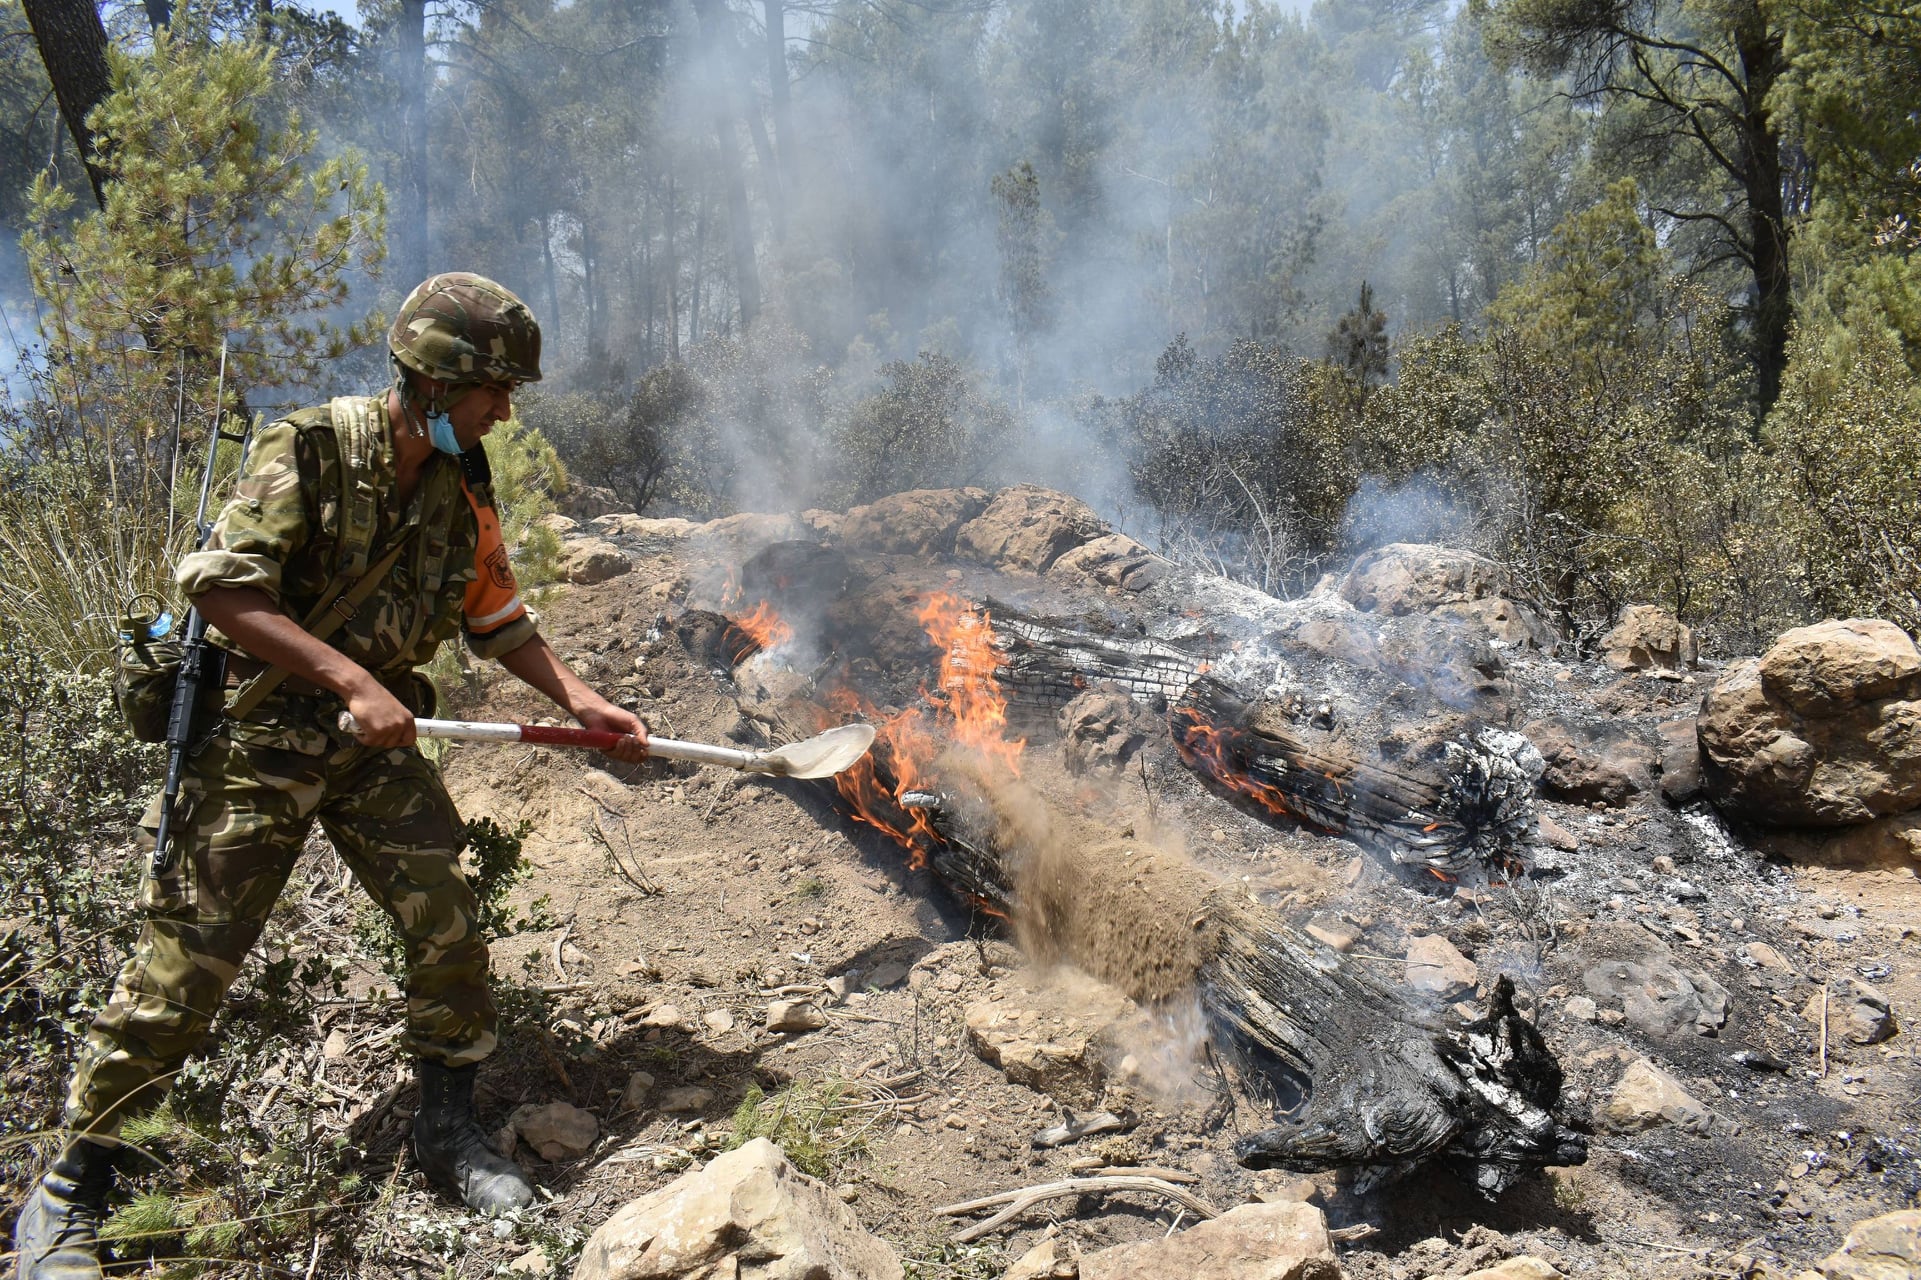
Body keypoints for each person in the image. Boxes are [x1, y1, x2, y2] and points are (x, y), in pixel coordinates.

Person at [13, 273, 647, 1280]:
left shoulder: (462, 482)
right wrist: (351, 677)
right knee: (190, 957)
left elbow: (496, 618)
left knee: (444, 907)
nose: (505, 408)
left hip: (368, 740)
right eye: (494, 388)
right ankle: (72, 1186)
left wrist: (579, 698)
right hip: (258, 731)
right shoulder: (309, 446)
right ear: (436, 383)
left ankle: (444, 1133)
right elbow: (221, 588)